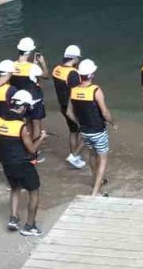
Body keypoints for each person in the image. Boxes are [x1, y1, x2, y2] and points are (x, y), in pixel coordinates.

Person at [0, 89, 46, 236]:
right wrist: (41, 138)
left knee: (15, 188)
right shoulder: (21, 127)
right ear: (23, 107)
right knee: (34, 192)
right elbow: (32, 150)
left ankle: (13, 218)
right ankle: (30, 226)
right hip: (22, 164)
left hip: (6, 164)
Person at [66, 59, 114, 196]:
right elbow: (105, 112)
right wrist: (112, 122)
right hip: (98, 130)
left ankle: (96, 181)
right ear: (92, 74)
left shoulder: (74, 90)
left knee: (92, 154)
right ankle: (95, 192)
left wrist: (80, 124)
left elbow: (69, 112)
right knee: (103, 159)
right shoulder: (95, 90)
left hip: (85, 131)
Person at [50, 46, 87, 169]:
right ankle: (75, 156)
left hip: (63, 105)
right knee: (85, 131)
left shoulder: (56, 70)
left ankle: (74, 156)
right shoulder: (73, 74)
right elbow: (76, 93)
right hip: (73, 108)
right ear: (75, 58)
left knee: (73, 131)